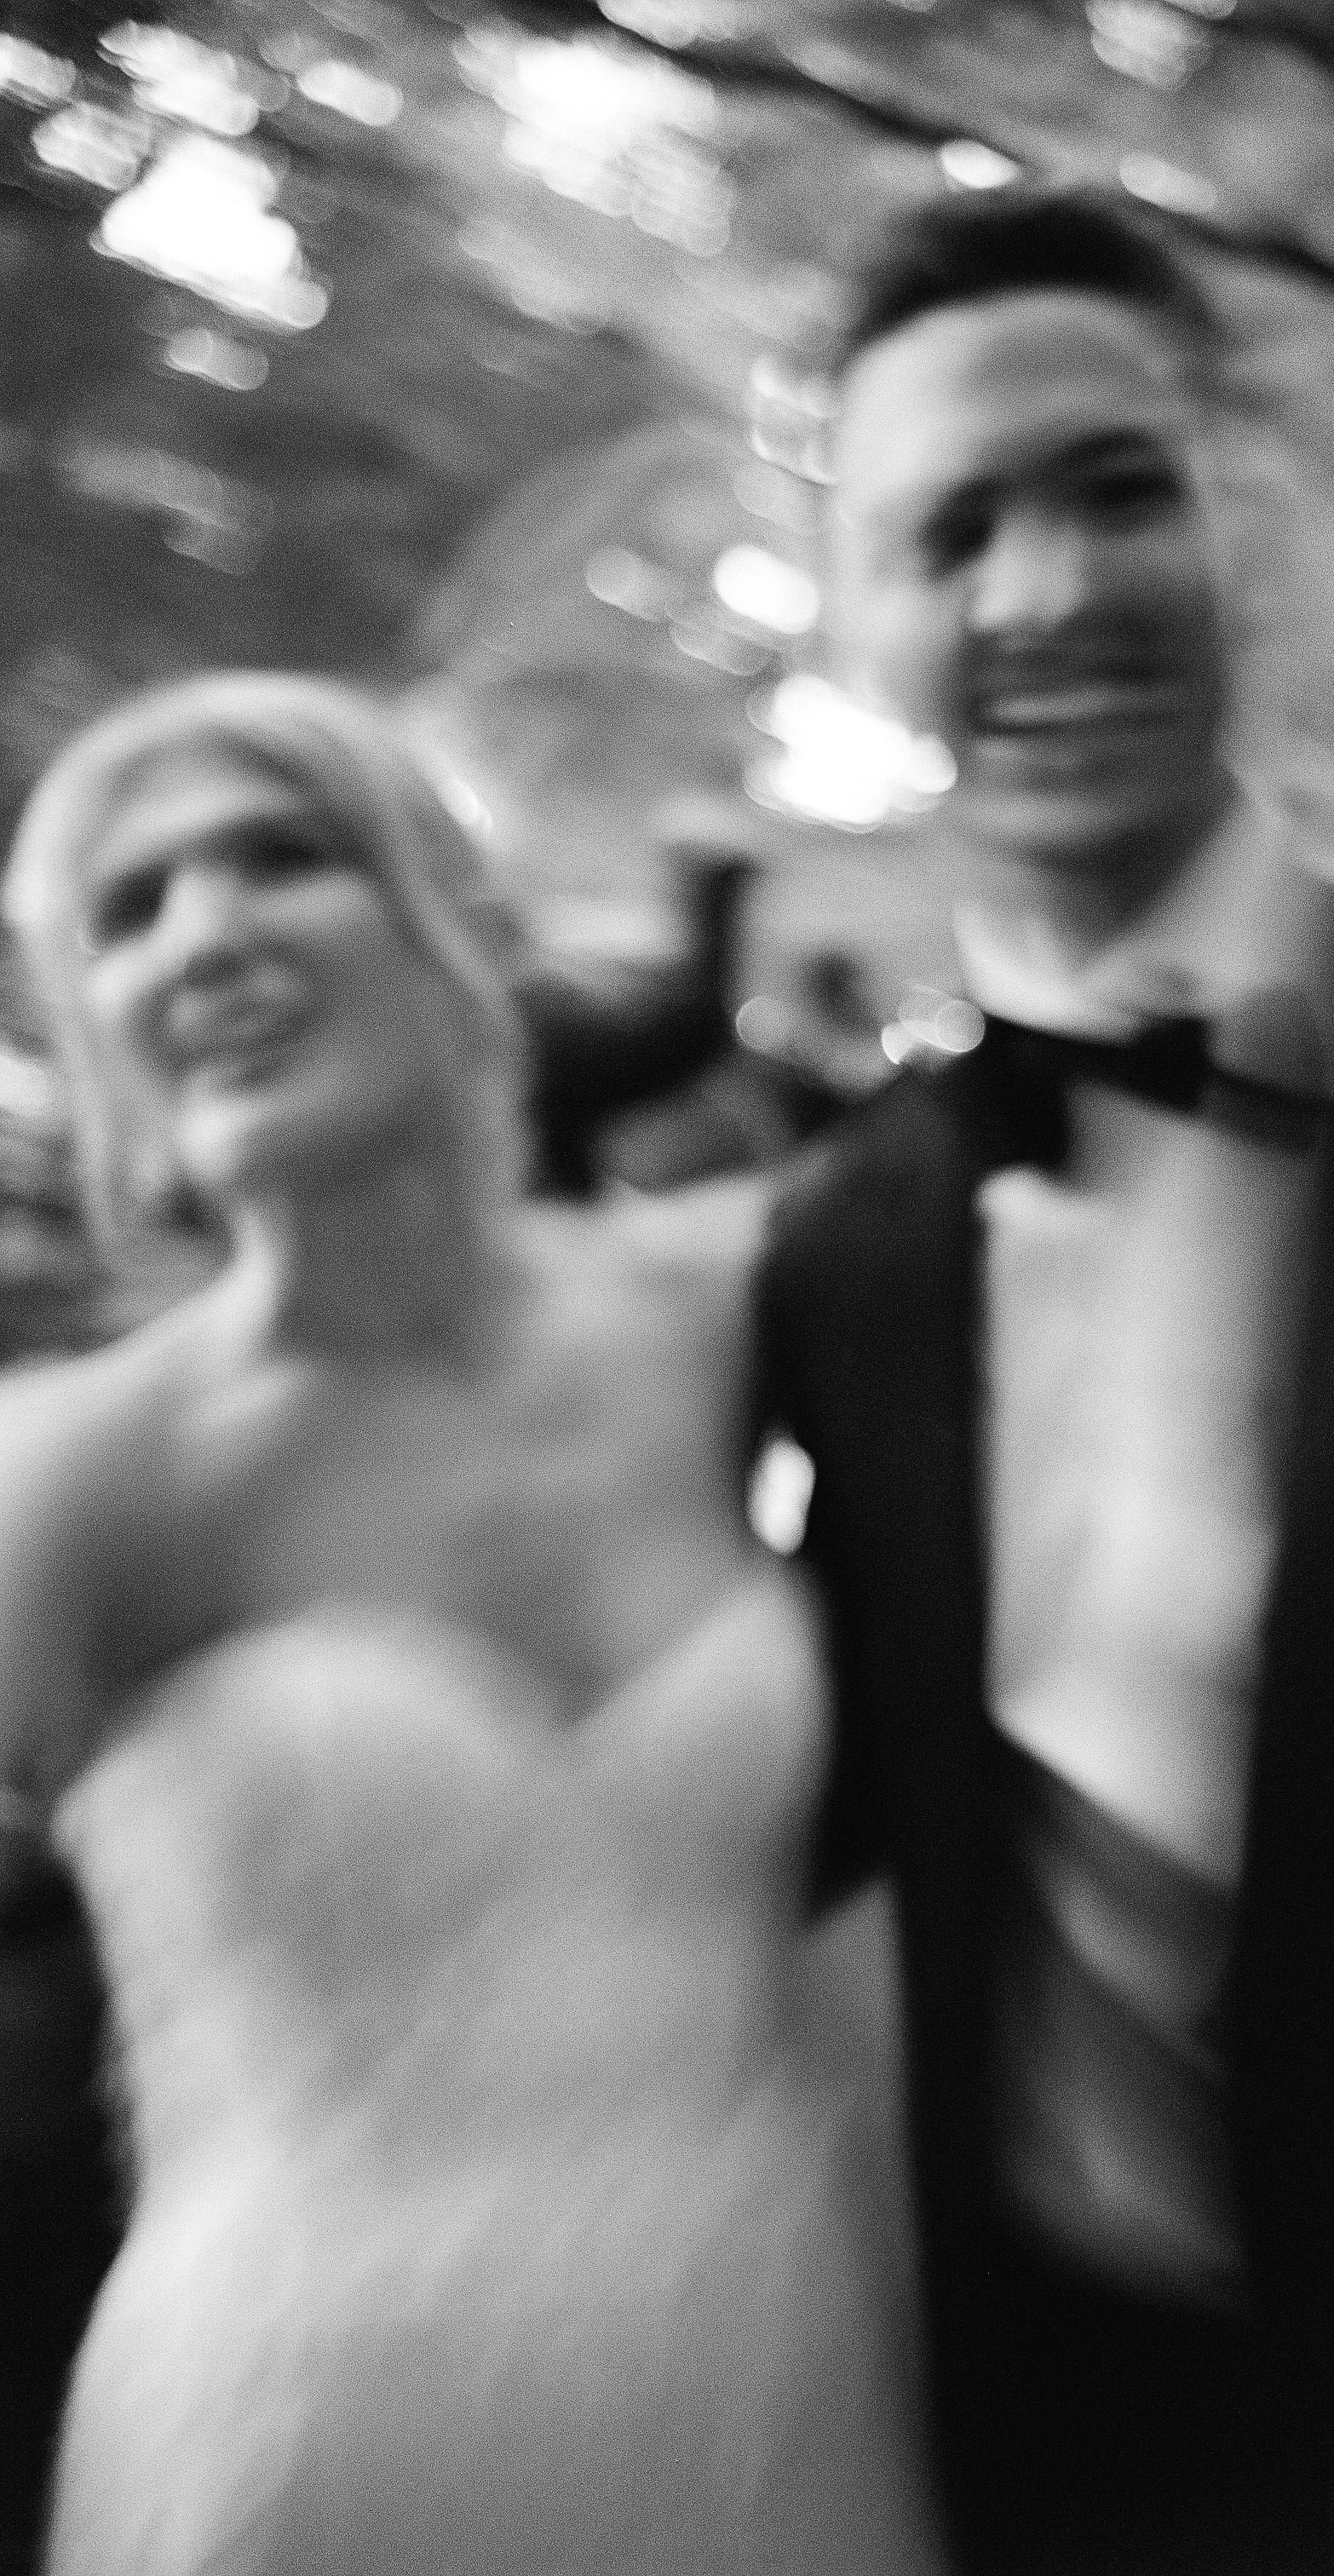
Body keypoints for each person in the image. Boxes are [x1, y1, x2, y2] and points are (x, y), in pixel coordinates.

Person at [756, 186, 1334, 2573]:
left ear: (1232, 521)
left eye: (1113, 489)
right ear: (859, 621)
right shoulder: (839, 1245)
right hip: (1060, 2454)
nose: (1044, 594)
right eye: (946, 532)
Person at [0, 671, 940, 2576]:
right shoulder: (76, 1485)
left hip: (776, 2379)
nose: (209, 936)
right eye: (131, 905)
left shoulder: (706, 1317)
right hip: (311, 2457)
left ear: (453, 928)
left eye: (285, 854)